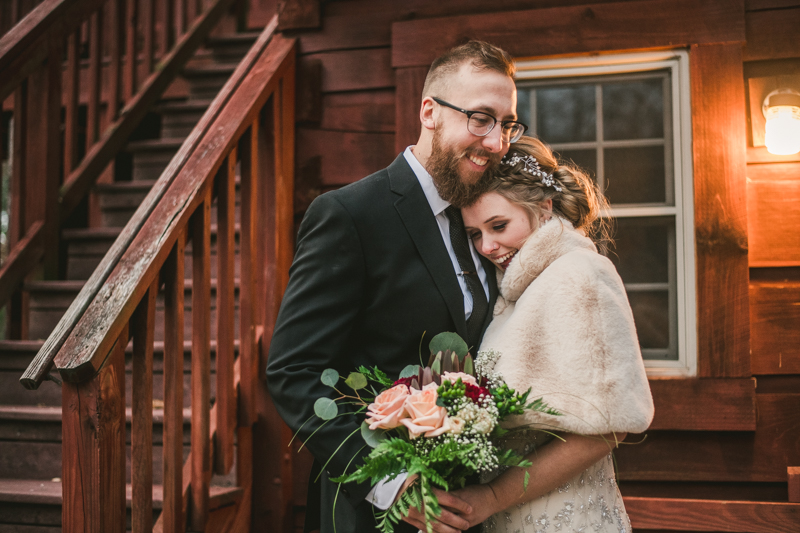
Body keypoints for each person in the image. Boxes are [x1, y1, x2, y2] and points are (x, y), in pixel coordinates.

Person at [266, 41, 528, 533]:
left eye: (508, 124)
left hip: (467, 507)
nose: (497, 142)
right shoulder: (350, 215)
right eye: (480, 118)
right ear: (430, 111)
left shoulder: (487, 222)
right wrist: (393, 480)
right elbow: (292, 371)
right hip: (369, 511)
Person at [456, 136, 654, 532]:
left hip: (565, 516)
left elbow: (609, 426)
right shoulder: (516, 291)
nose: (488, 246)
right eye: (474, 234)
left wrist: (493, 496)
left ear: (543, 206)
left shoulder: (581, 274)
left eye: (498, 225)